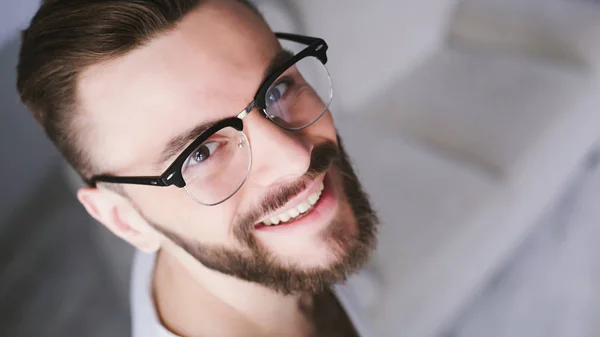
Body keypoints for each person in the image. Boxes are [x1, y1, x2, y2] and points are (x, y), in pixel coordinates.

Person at [17, 0, 380, 336]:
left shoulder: (283, 247)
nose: (295, 159)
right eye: (201, 152)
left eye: (277, 89)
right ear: (126, 220)